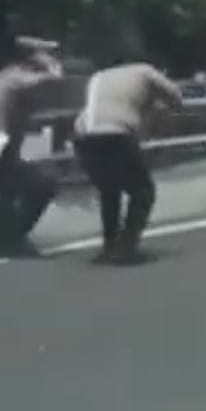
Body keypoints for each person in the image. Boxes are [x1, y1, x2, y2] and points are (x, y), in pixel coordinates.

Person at [0, 36, 62, 258]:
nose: (53, 57)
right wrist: (43, 55)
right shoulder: (16, 78)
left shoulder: (5, 78)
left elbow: (16, 123)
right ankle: (6, 240)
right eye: (47, 54)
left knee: (10, 190)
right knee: (31, 187)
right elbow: (55, 76)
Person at [73, 58, 183, 265]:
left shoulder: (99, 76)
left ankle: (110, 246)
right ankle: (126, 247)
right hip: (115, 134)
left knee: (109, 191)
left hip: (84, 137)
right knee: (143, 191)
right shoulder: (144, 70)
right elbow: (176, 96)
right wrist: (167, 107)